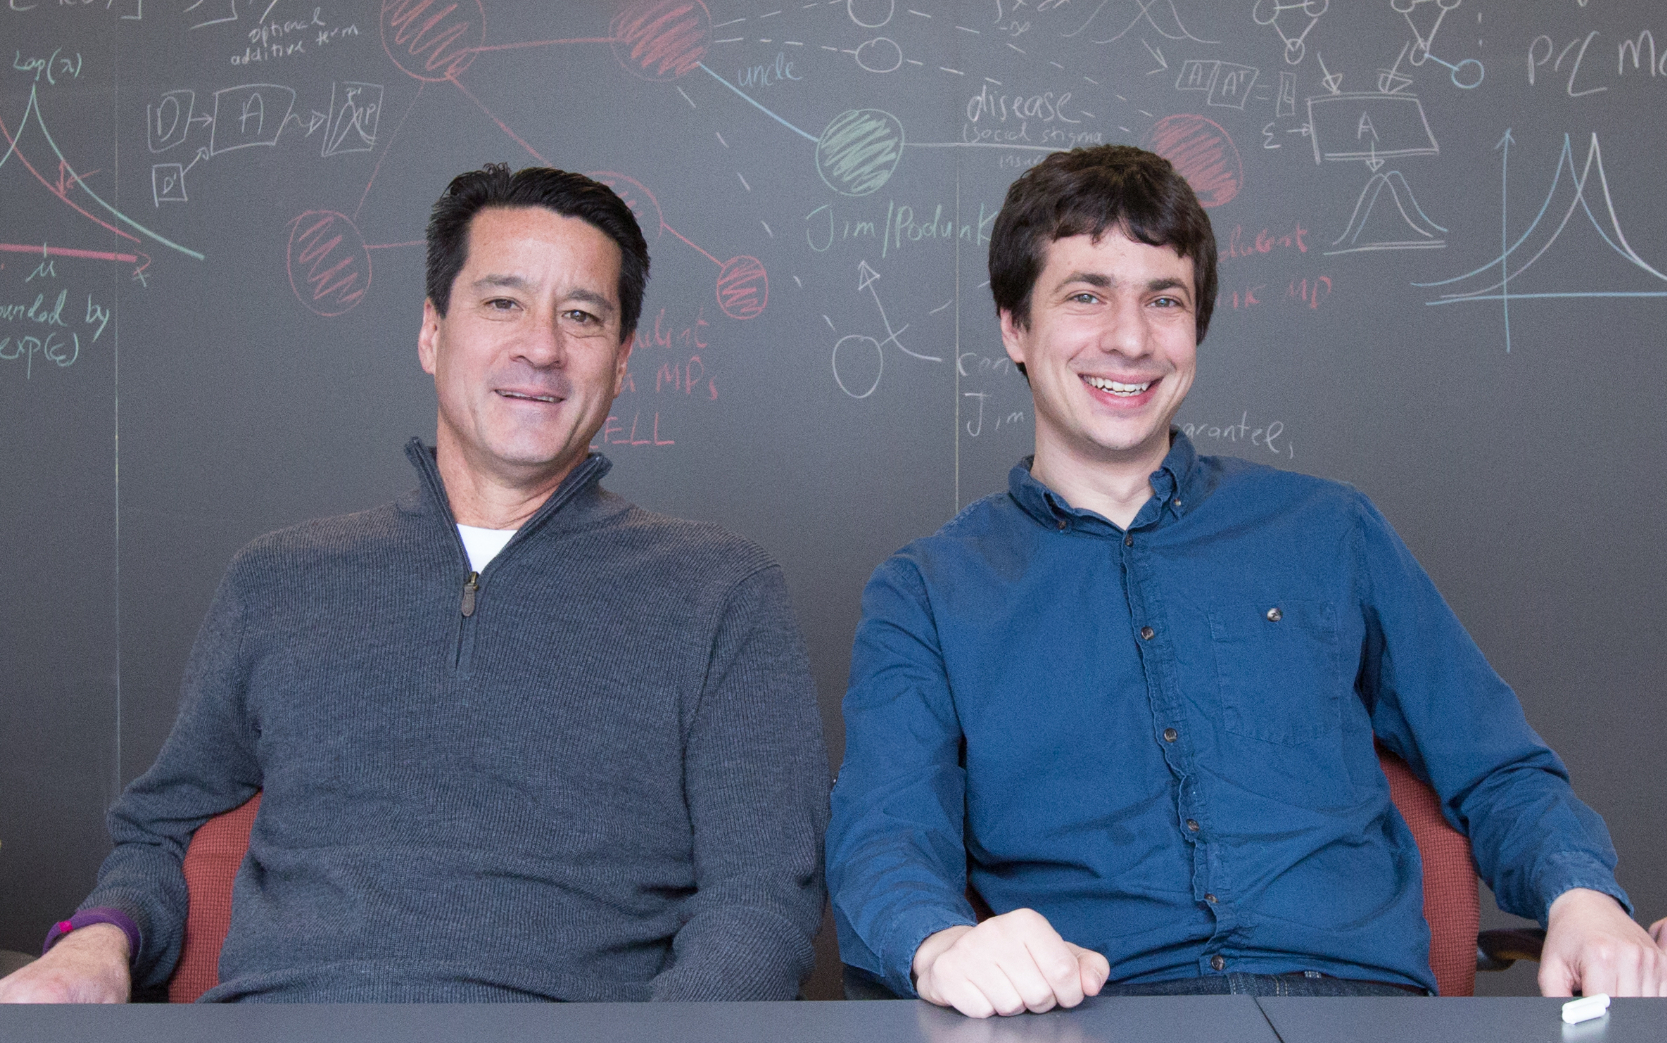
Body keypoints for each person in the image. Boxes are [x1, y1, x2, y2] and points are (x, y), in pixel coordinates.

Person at [825, 144, 1667, 1016]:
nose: (1129, 337)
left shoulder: (1328, 531)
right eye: (1086, 295)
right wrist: (943, 943)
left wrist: (1582, 899)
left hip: (1361, 1011)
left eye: (1165, 300)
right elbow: (883, 834)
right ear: (1013, 325)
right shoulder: (925, 591)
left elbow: (1495, 766)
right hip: (1096, 1016)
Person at [0, 164, 829, 1004]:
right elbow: (160, 830)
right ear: (432, 331)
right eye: (502, 302)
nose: (541, 345)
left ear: (620, 361)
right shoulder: (281, 581)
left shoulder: (719, 594)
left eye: (581, 315)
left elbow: (760, 899)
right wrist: (98, 942)